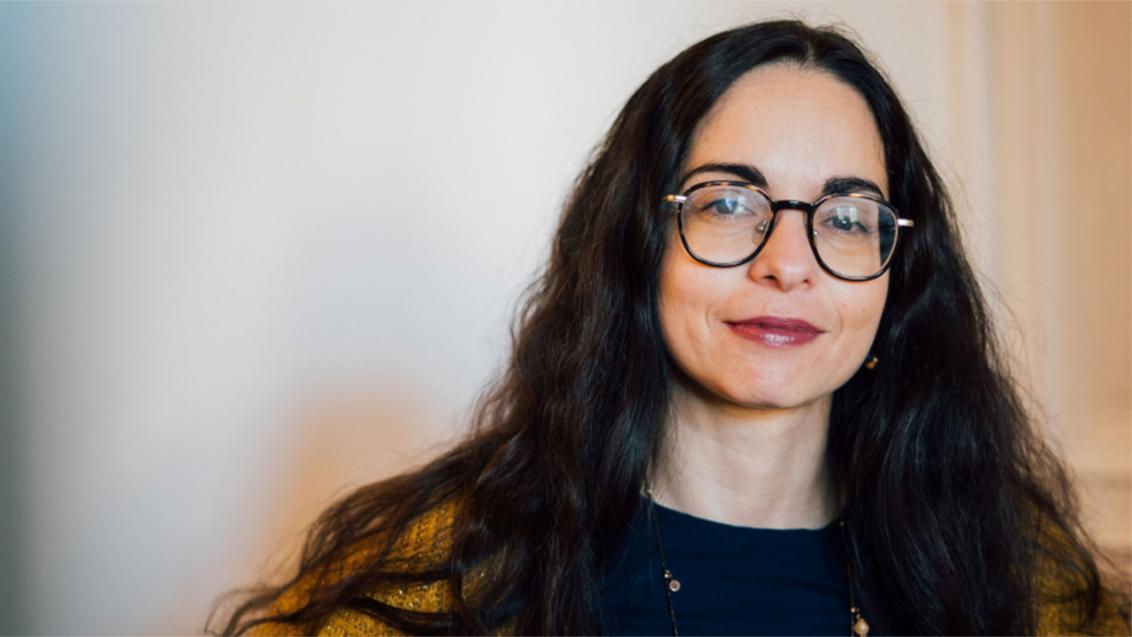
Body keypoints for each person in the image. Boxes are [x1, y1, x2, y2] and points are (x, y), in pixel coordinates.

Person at [212, 20, 1129, 636]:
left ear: (900, 275)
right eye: (730, 201)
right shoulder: (441, 577)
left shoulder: (1008, 575)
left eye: (847, 217)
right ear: (636, 243)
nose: (789, 261)